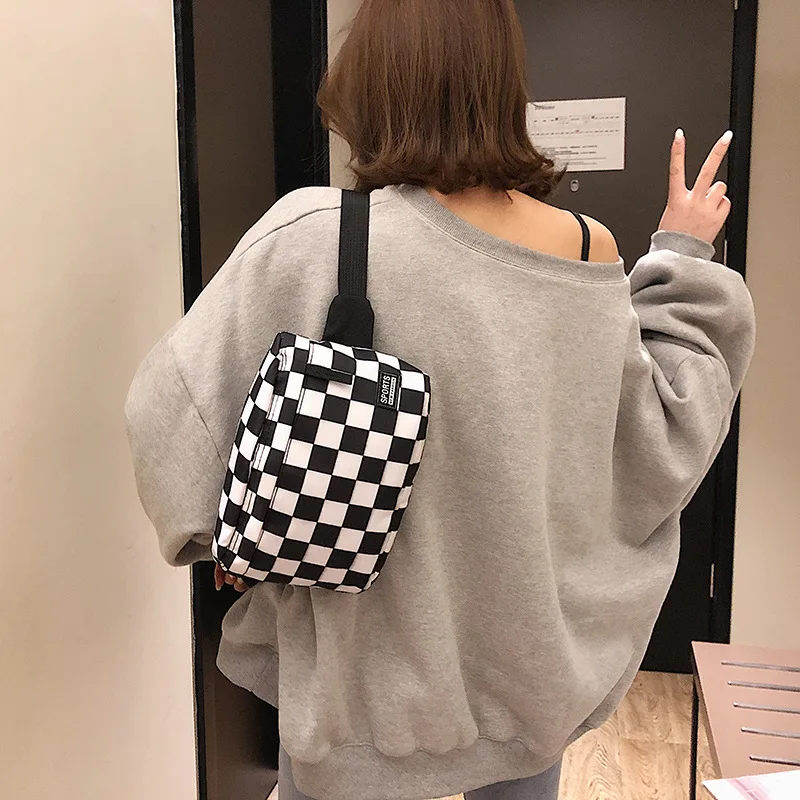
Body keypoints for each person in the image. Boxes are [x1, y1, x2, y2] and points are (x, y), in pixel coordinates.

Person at [125, 1, 756, 798]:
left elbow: (168, 414)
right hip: (531, 676)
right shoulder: (588, 246)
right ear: (503, 84)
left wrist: (226, 535)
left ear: (369, 83)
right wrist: (682, 253)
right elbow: (654, 440)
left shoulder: (316, 235)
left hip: (361, 696)